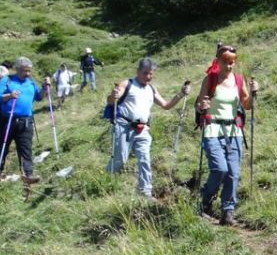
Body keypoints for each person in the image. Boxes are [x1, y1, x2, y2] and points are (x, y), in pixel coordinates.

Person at [106, 57, 190, 198]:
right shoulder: (128, 84)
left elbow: (166, 105)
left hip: (142, 129)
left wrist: (181, 94)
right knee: (120, 159)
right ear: (138, 71)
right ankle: (107, 180)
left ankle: (145, 191)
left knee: (144, 158)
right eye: (145, 73)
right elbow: (112, 99)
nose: (148, 77)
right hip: (123, 126)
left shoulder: (151, 89)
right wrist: (113, 95)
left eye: (151, 74)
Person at [194, 43, 258, 226]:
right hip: (212, 129)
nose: (229, 66)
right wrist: (202, 106)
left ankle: (228, 212)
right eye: (226, 62)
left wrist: (253, 94)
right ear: (218, 61)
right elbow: (199, 103)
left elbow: (246, 104)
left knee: (233, 173)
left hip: (233, 131)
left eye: (232, 62)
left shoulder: (238, 80)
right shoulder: (210, 79)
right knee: (220, 169)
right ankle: (205, 201)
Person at [0, 57, 51, 183]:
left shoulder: (31, 81)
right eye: (25, 71)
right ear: (17, 69)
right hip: (7, 120)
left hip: (26, 121)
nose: (28, 73)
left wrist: (45, 87)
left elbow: (39, 97)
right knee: (2, 147)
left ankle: (28, 175)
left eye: (29, 71)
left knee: (26, 148)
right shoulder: (6, 80)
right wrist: (9, 95)